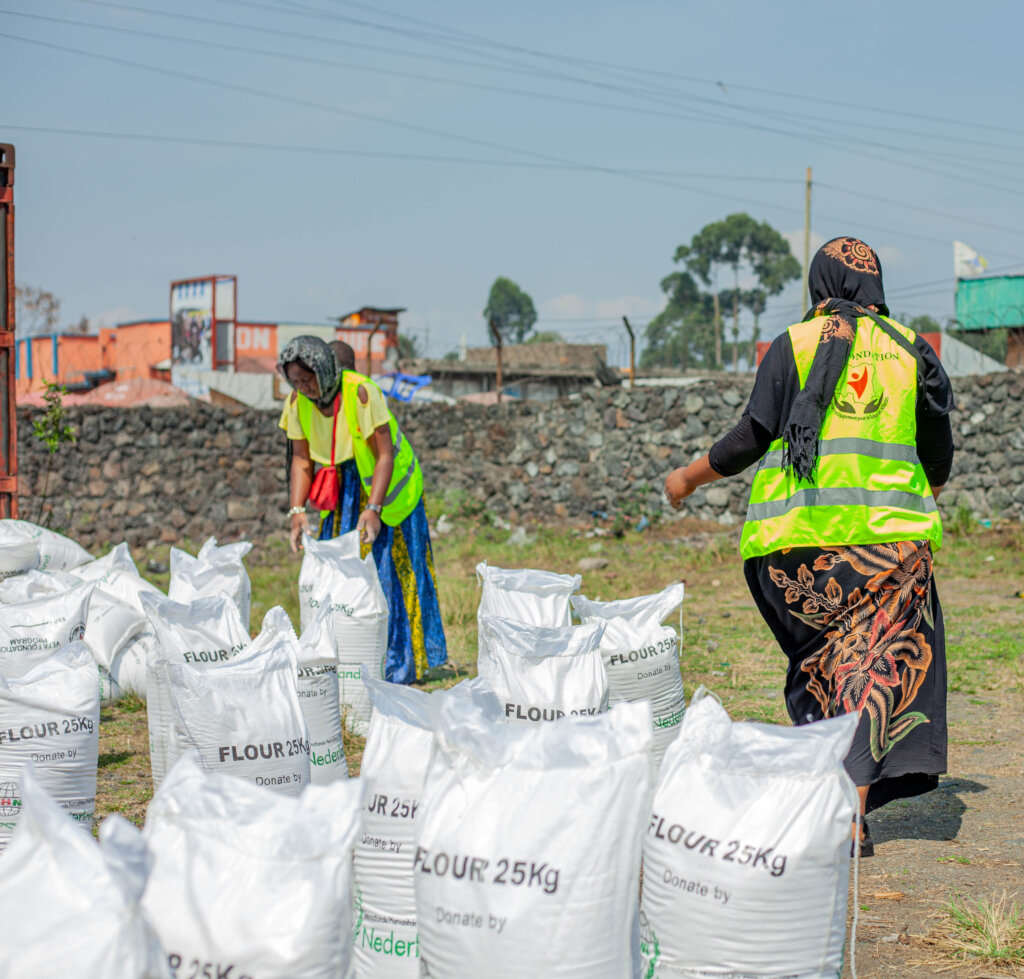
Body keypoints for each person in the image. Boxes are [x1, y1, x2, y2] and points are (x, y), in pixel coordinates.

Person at [664, 237, 955, 856]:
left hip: (796, 553)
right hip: (891, 552)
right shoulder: (912, 351)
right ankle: (849, 812)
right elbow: (939, 463)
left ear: (820, 283)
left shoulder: (794, 344)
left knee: (826, 668)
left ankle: (838, 811)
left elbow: (751, 436)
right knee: (873, 671)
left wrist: (688, 476)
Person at [277, 335, 447, 685]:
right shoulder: (296, 402)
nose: (303, 387)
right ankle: (346, 664)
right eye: (295, 381)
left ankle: (399, 665)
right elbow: (300, 459)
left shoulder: (362, 392)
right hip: (340, 491)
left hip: (387, 493)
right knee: (339, 575)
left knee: (390, 575)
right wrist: (297, 510)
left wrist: (373, 507)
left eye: (307, 379)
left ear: (324, 370)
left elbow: (384, 455)